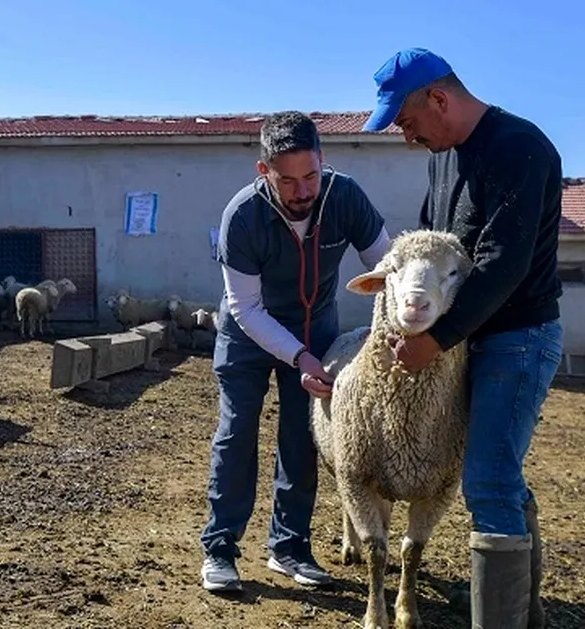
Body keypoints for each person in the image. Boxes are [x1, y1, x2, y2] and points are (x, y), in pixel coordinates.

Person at [360, 48, 565, 628]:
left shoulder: (520, 148)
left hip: (517, 337)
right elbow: (435, 243)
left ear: (439, 99)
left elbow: (504, 261)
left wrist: (439, 338)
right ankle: (526, 615)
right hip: (472, 338)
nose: (407, 137)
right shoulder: (444, 157)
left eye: (405, 121)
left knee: (488, 479)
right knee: (500, 472)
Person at [199, 110, 392, 593]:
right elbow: (246, 308)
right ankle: (220, 548)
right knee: (237, 431)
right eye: (289, 181)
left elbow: (387, 269)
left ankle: (289, 547)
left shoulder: (345, 196)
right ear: (264, 172)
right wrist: (298, 357)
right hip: (249, 333)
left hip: (316, 327)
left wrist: (388, 329)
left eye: (312, 175)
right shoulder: (242, 216)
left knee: (302, 437)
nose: (304, 190)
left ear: (323, 162)